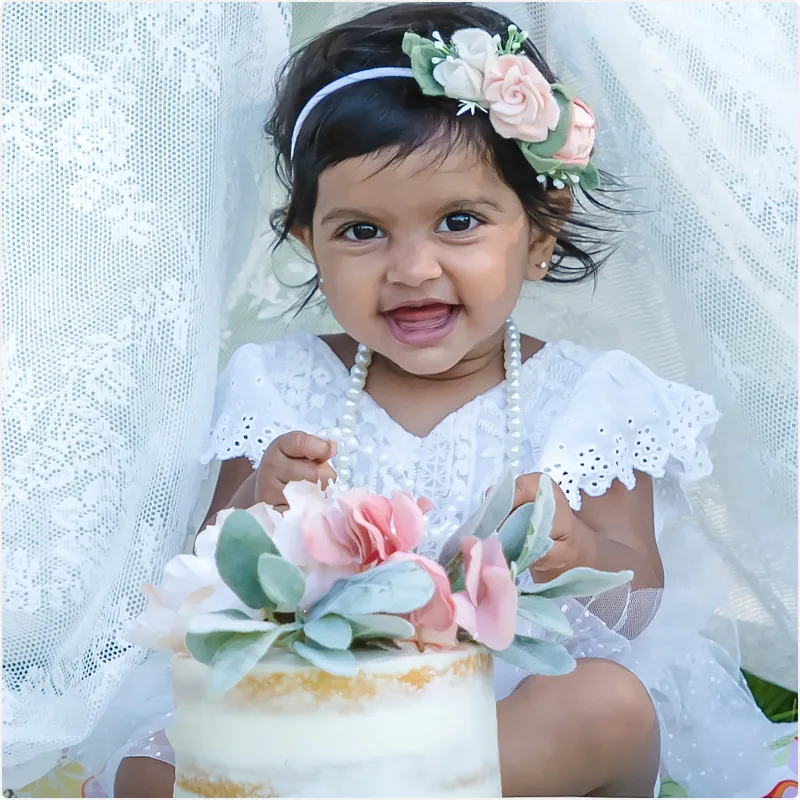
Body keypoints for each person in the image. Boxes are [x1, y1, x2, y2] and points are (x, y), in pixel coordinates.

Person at [105, 3, 792, 797]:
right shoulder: (279, 387)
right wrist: (260, 509)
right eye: (362, 231)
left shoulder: (593, 399)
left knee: (606, 704)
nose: (412, 267)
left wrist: (581, 552)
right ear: (308, 243)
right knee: (152, 766)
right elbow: (202, 590)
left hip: (510, 712)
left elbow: (640, 601)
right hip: (322, 711)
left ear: (538, 234)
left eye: (458, 222)